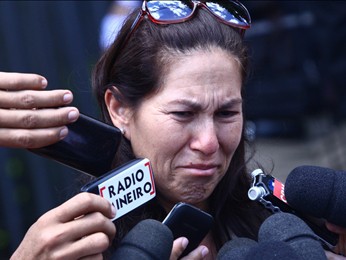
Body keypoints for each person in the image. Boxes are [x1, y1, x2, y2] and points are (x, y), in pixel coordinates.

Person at [1, 1, 345, 259]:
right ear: (119, 109)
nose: (209, 143)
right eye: (183, 113)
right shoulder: (76, 246)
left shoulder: (289, 229)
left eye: (227, 112)